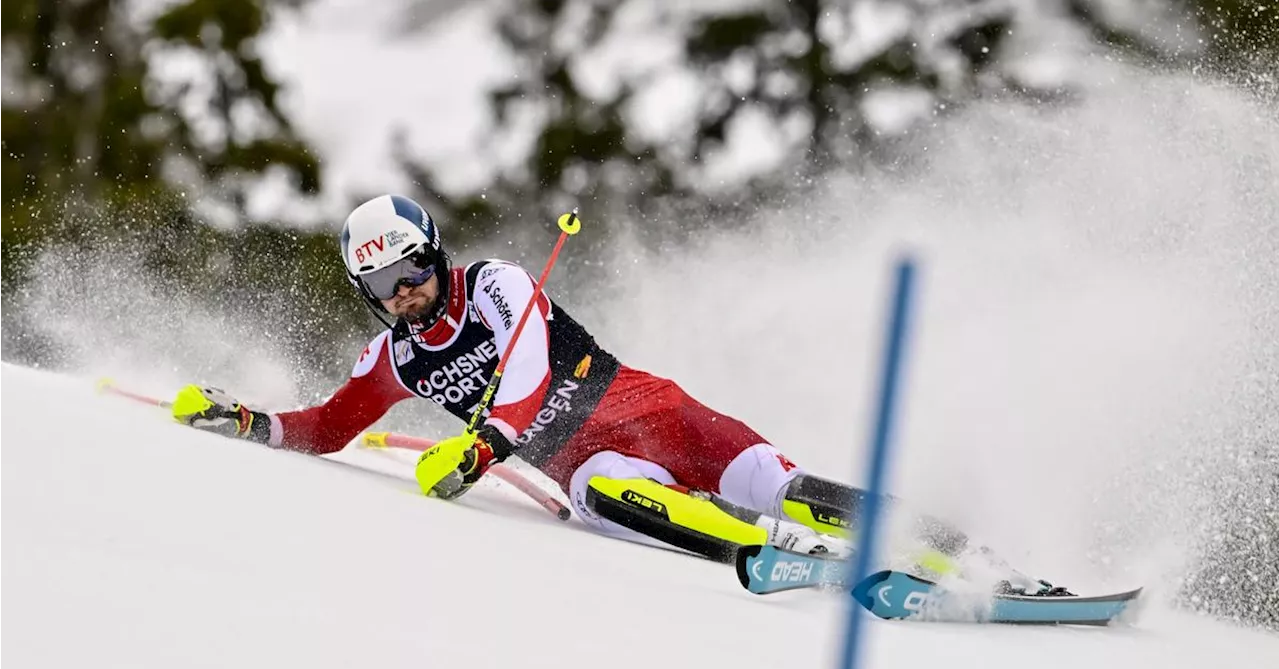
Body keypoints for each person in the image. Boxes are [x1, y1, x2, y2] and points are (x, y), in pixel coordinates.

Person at [169, 194, 972, 569]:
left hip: (649, 407)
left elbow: (520, 375)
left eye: (411, 271)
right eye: (384, 289)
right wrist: (249, 422)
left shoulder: (495, 284)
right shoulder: (394, 359)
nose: (405, 295)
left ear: (435, 254)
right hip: (590, 463)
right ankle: (784, 556)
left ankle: (951, 544)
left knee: (777, 478)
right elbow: (328, 424)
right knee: (603, 491)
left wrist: (487, 444)